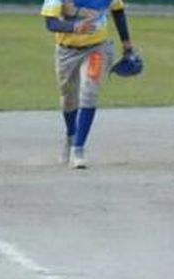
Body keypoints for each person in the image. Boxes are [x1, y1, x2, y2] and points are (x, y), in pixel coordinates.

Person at [40, 0, 135, 169]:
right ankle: (71, 136)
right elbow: (50, 23)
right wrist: (74, 27)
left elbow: (118, 10)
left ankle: (78, 148)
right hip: (66, 51)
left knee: (89, 92)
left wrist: (127, 44)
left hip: (97, 49)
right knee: (68, 99)